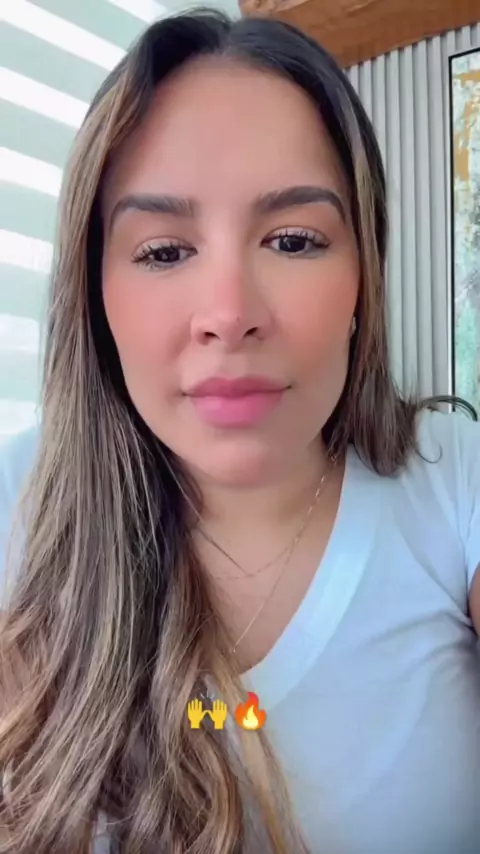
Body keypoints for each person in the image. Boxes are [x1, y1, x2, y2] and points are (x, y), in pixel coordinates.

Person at [0, 9, 478, 854]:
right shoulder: (19, 506)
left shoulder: (453, 482)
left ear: (363, 277)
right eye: (162, 251)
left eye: (292, 240)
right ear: (95, 294)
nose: (229, 314)